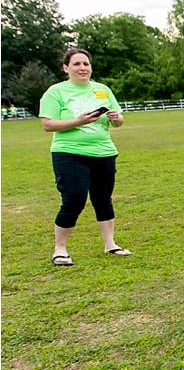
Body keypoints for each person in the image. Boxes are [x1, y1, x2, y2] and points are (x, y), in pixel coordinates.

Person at [38, 48, 130, 266]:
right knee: (74, 201)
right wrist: (78, 122)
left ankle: (110, 244)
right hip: (69, 153)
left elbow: (118, 121)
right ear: (65, 68)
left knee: (103, 199)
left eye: (86, 64)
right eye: (77, 64)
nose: (82, 68)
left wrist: (117, 118)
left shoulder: (102, 90)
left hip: (104, 152)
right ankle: (60, 249)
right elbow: (47, 124)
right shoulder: (56, 92)